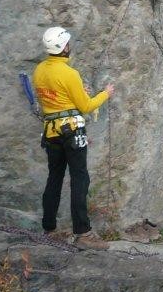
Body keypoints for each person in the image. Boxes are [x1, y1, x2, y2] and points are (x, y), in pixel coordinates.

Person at [33, 26, 114, 250]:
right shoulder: (69, 73)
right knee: (80, 179)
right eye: (67, 44)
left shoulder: (39, 70)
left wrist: (77, 91)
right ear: (64, 47)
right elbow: (86, 106)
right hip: (72, 132)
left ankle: (49, 228)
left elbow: (54, 97)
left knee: (54, 178)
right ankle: (83, 232)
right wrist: (105, 94)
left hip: (51, 132)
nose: (70, 46)